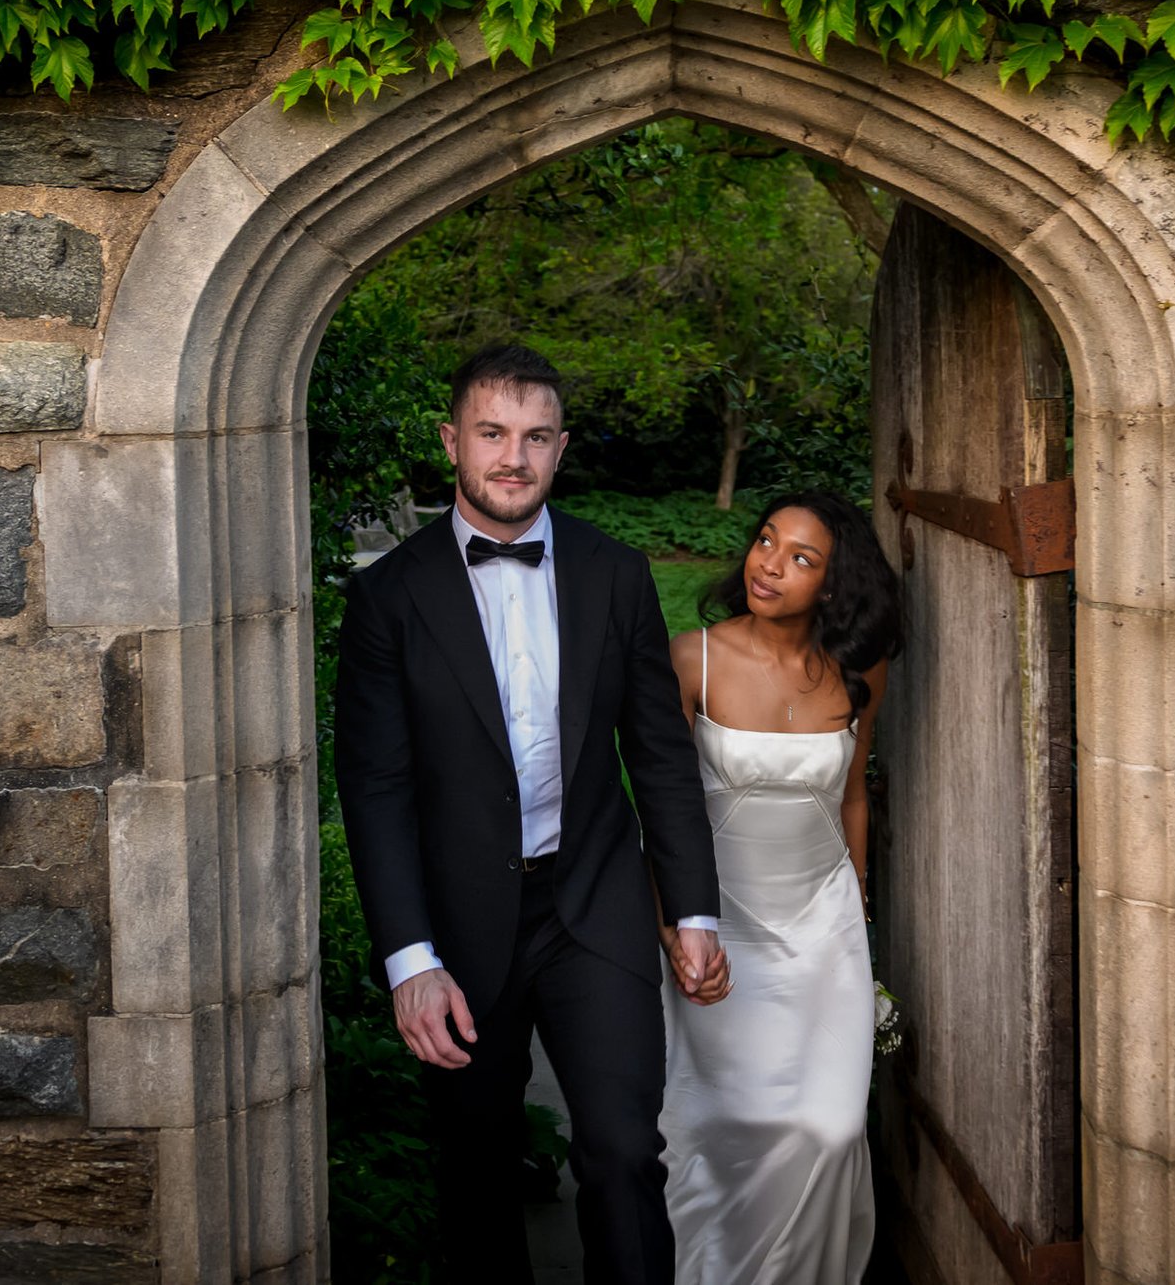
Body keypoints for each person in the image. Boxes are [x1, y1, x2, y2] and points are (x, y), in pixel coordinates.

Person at [333, 343, 727, 1284]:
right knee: (476, 1168)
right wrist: (410, 962)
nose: (514, 457)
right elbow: (375, 787)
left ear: (561, 447)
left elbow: (660, 756)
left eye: (536, 436)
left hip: (593, 900)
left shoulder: (616, 572)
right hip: (459, 923)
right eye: (493, 433)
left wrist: (693, 909)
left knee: (625, 1151)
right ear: (452, 441)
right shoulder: (388, 596)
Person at [657, 490, 904, 1285]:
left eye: (801, 557)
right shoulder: (691, 658)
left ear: (833, 582)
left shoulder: (861, 671)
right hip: (721, 922)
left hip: (824, 925)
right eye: (766, 540)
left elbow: (853, 795)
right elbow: (661, 807)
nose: (769, 564)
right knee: (724, 1125)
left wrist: (858, 912)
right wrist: (673, 925)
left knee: (832, 1128)